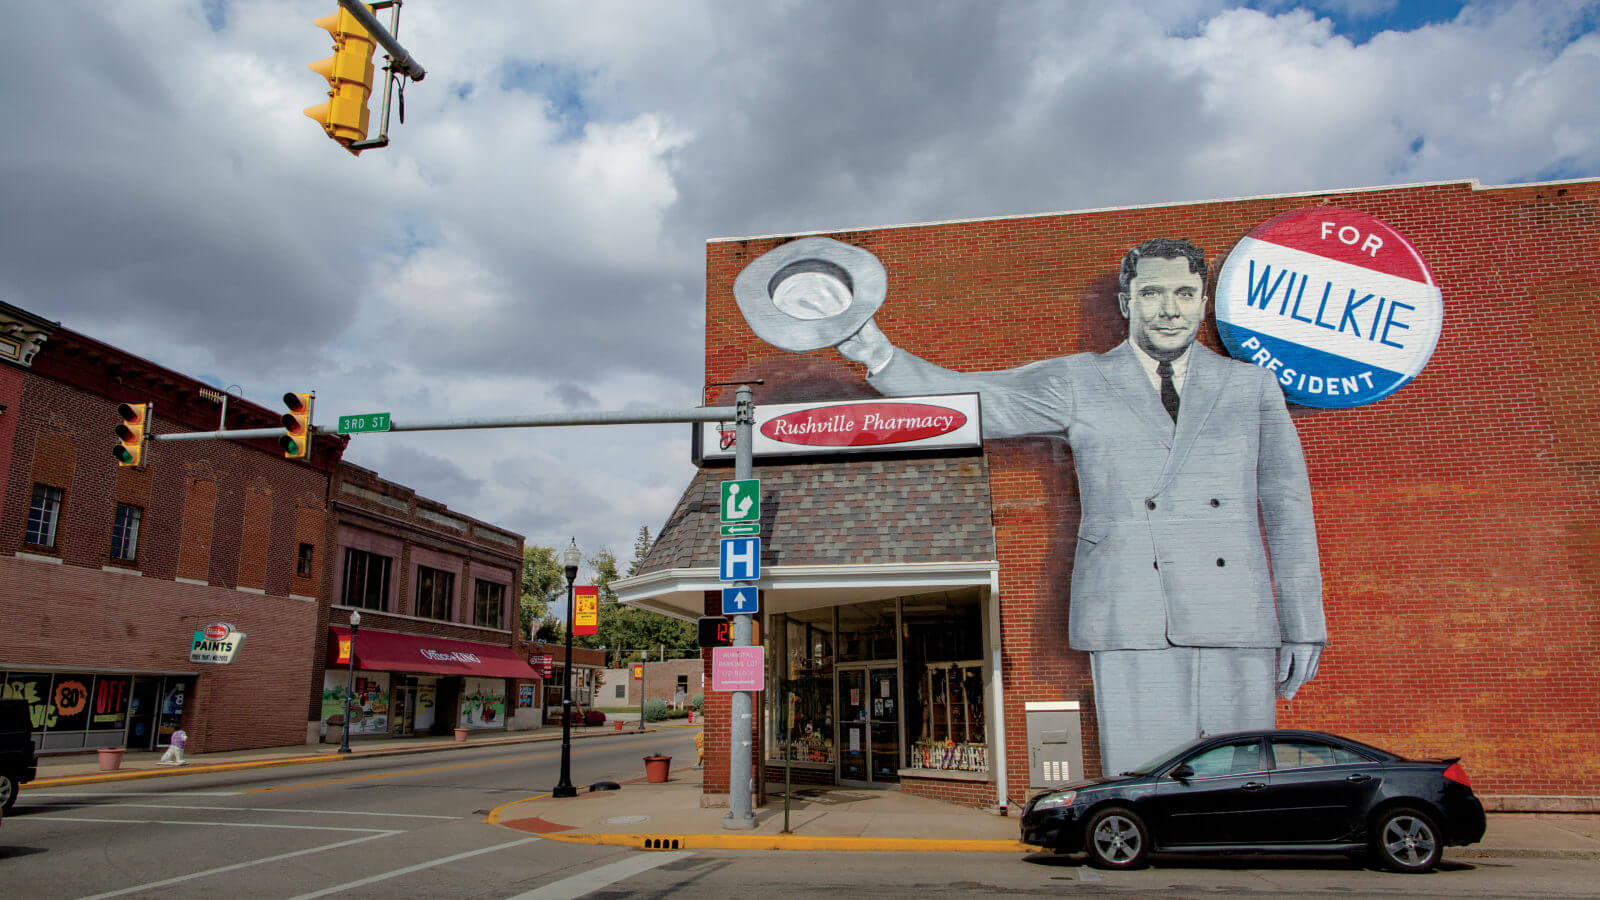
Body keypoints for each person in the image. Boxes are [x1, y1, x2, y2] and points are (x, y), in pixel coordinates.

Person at [832, 238, 1327, 776]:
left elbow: (1288, 509)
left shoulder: (1250, 385)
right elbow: (973, 398)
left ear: (1203, 300)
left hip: (1236, 610)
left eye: (1185, 293)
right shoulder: (1080, 380)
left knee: (1246, 780)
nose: (1169, 309)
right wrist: (877, 352)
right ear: (1126, 302)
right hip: (1130, 607)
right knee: (1143, 780)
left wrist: (1303, 624)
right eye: (1152, 292)